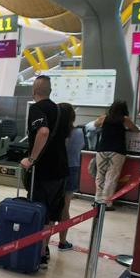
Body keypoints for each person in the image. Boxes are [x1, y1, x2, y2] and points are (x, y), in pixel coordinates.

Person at [20, 75, 70, 269]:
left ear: (34, 91)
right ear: (50, 91)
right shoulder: (60, 110)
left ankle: (38, 254)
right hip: (60, 169)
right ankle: (43, 250)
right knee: (49, 214)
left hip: (44, 170)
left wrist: (31, 159)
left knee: (38, 211)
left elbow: (43, 132)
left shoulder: (36, 108)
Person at [93, 100, 139, 211]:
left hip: (102, 150)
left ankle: (97, 200)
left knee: (100, 175)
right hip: (117, 152)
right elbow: (135, 129)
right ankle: (106, 203)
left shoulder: (104, 118)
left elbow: (95, 124)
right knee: (111, 177)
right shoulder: (125, 119)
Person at [58, 103, 84, 251]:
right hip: (72, 169)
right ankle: (63, 241)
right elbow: (80, 148)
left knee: (52, 205)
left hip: (56, 170)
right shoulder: (78, 133)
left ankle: (44, 245)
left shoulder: (56, 132)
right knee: (65, 206)